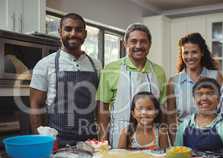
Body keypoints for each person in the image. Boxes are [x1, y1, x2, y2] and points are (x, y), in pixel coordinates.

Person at [30, 13, 101, 147]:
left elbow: (99, 105)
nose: (73, 33)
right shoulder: (44, 64)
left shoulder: (96, 65)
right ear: (60, 32)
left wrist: (102, 137)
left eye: (79, 30)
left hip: (90, 142)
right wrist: (40, 143)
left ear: (85, 34)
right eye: (68, 29)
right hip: (57, 142)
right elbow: (35, 105)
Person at [97, 23, 167, 148]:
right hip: (119, 135)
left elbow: (162, 109)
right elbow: (103, 110)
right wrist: (103, 141)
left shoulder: (159, 72)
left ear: (149, 45)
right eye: (133, 41)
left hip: (152, 136)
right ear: (125, 44)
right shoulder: (110, 69)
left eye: (143, 42)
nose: (138, 46)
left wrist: (163, 136)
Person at [167, 32, 223, 142]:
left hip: (212, 138)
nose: (190, 57)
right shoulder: (173, 82)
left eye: (194, 52)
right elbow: (170, 117)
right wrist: (176, 142)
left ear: (202, 52)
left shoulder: (216, 76)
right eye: (186, 53)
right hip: (184, 139)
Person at [175, 78, 223, 151]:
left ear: (218, 99)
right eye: (199, 94)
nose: (204, 98)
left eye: (210, 93)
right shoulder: (184, 125)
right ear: (193, 99)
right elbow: (177, 154)